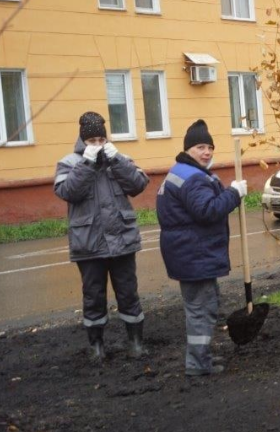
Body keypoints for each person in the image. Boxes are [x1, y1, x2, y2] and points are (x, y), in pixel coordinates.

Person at [54, 112, 150, 362]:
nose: (97, 144)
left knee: (129, 293)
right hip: (89, 244)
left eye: (100, 139)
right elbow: (67, 191)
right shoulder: (68, 163)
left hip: (122, 241)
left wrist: (117, 159)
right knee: (94, 296)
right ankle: (96, 346)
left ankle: (136, 343)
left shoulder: (119, 158)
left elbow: (138, 184)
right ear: (82, 140)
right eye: (91, 140)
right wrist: (85, 164)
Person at [156, 120, 247, 377]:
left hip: (189, 253)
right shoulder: (193, 178)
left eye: (210, 147)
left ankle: (201, 355)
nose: (206, 152)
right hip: (194, 254)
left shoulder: (184, 171)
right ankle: (197, 364)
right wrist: (233, 194)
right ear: (188, 150)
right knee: (200, 309)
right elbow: (207, 211)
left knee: (204, 305)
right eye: (200, 147)